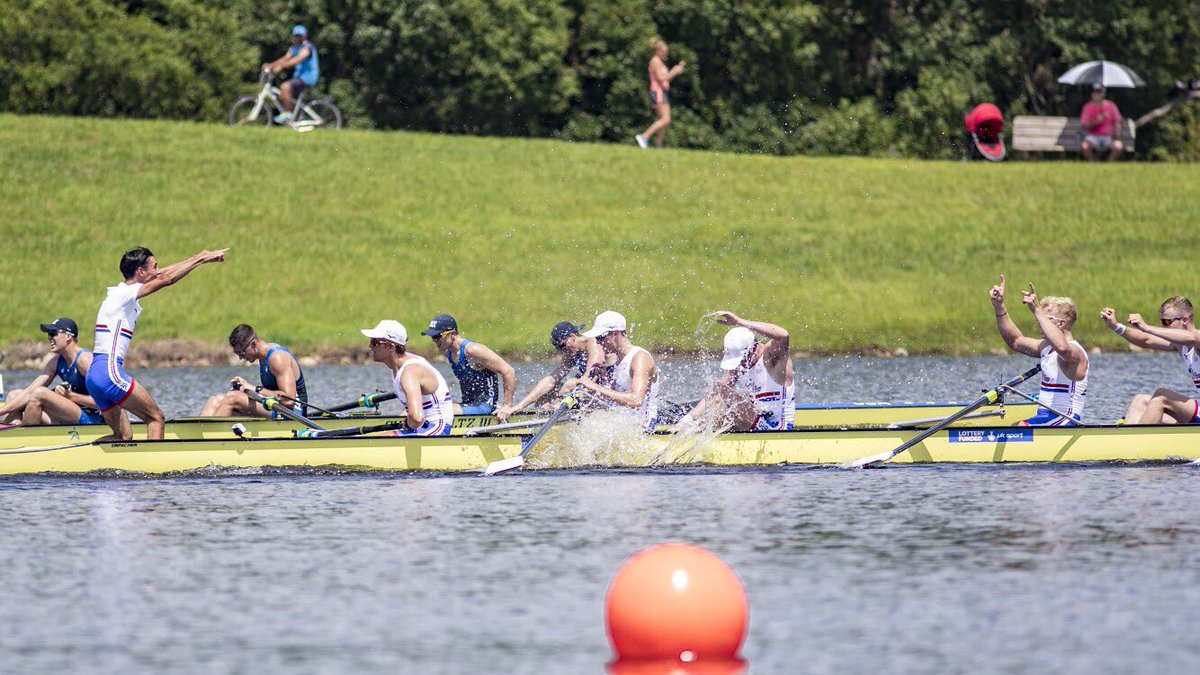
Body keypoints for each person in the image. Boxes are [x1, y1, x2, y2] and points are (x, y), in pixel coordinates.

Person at [86, 246, 228, 441]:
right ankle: (154, 462)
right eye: (155, 266)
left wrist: (199, 257)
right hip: (110, 372)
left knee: (123, 436)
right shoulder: (125, 294)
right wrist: (201, 260)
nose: (158, 270)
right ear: (140, 271)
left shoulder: (118, 293)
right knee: (156, 418)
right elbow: (165, 279)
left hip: (95, 375)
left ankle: (82, 455)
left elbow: (160, 275)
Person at [989, 275, 1088, 426]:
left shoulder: (1075, 351)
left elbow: (1063, 349)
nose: (1039, 323)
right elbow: (1015, 341)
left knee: (1016, 429)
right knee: (1012, 427)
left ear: (1061, 324)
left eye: (1045, 319)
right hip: (1046, 417)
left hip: (1066, 419)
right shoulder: (1046, 347)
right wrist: (999, 306)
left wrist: (1036, 309)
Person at [677, 312, 795, 432]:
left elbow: (783, 335)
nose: (740, 365)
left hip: (778, 429)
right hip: (756, 424)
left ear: (753, 349)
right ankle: (691, 433)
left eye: (741, 360)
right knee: (718, 397)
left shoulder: (772, 357)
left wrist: (739, 321)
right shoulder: (742, 364)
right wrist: (684, 421)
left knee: (724, 392)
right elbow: (714, 395)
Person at [1101, 297, 1200, 424]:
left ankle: (1138, 435)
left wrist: (1147, 327)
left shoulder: (1197, 338)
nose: (1163, 326)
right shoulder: (1180, 345)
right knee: (1141, 401)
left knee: (1161, 396)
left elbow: (1193, 338)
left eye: (1166, 322)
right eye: (1162, 321)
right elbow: (1146, 340)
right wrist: (1116, 326)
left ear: (1184, 320)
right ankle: (1128, 435)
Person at [495, 321, 609, 422]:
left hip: (606, 393)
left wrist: (564, 396)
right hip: (588, 391)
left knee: (570, 384)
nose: (563, 350)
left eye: (562, 346)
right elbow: (551, 380)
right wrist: (519, 406)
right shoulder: (571, 351)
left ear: (573, 336)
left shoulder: (594, 345)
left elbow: (589, 379)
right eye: (559, 348)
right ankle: (541, 424)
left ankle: (558, 418)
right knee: (546, 393)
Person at [0, 318, 103, 426]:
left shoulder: (85, 360)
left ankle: (25, 434)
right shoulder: (55, 362)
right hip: (69, 414)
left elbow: (105, 400)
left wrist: (71, 396)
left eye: (53, 334)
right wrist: (2, 411)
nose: (49, 338)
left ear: (68, 336)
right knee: (14, 395)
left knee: (39, 393)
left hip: (92, 418)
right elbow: (29, 391)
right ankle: (13, 431)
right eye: (49, 335)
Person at [362, 320, 454, 436]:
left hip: (437, 428)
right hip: (424, 427)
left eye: (374, 342)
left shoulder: (409, 372)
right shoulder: (399, 365)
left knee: (373, 441)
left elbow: (416, 418)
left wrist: (409, 424)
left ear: (390, 346)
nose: (370, 346)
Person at [574, 311, 660, 430]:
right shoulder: (618, 360)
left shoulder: (640, 358)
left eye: (600, 338)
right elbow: (617, 398)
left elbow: (636, 400)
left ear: (615, 334)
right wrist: (602, 381)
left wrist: (595, 387)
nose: (598, 343)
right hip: (624, 425)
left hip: (643, 429)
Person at [201, 324, 308, 418]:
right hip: (275, 407)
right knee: (215, 400)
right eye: (238, 354)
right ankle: (200, 431)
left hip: (293, 413)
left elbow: (289, 400)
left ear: (253, 345)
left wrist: (254, 389)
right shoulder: (263, 357)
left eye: (241, 353)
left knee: (232, 398)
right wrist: (244, 388)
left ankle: (211, 433)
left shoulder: (277, 358)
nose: (241, 358)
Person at [420, 314, 516, 416]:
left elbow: (509, 371)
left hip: (485, 406)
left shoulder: (473, 350)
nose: (435, 341)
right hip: (468, 404)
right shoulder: (450, 353)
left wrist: (506, 406)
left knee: (435, 410)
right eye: (433, 337)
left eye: (438, 336)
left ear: (453, 333)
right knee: (426, 406)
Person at [634, 39, 686, 150]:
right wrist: (674, 71)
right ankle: (644, 136)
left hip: (661, 92)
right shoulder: (656, 61)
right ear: (657, 51)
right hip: (658, 92)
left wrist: (676, 71)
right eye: (664, 51)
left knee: (663, 120)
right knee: (666, 119)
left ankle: (659, 145)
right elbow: (661, 78)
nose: (666, 53)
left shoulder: (659, 62)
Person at [263, 24, 319, 123]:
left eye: (300, 36)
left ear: (305, 36)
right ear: (293, 36)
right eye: (296, 36)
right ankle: (298, 116)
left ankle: (288, 114)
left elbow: (297, 59)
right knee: (283, 95)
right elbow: (285, 58)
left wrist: (281, 66)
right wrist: (271, 65)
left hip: (307, 78)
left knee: (285, 87)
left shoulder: (307, 47)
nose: (298, 38)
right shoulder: (293, 48)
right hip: (299, 77)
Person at [1081, 84, 1124, 162]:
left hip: (1109, 137)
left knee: (1118, 146)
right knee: (1084, 146)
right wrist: (1095, 122)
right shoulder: (1087, 107)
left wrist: (1117, 134)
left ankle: (1109, 164)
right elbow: (1084, 126)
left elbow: (1117, 121)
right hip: (1093, 136)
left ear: (1103, 94)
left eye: (1099, 92)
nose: (1097, 94)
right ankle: (1092, 164)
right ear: (1092, 94)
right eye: (1095, 92)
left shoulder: (1111, 106)